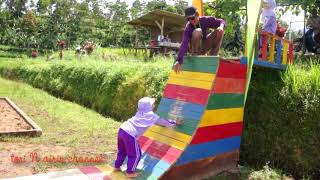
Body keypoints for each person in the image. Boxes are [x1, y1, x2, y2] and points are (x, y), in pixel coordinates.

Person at [113, 97, 182, 178]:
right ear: (148, 107)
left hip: (122, 129)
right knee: (136, 154)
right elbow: (162, 121)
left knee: (122, 151)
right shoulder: (150, 115)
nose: (154, 105)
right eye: (152, 104)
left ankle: (117, 167)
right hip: (130, 134)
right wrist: (175, 122)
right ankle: (130, 172)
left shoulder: (139, 112)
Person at [174, 6, 225, 73]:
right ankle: (195, 54)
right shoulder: (188, 27)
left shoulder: (205, 20)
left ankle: (213, 55)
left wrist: (221, 27)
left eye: (192, 18)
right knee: (197, 31)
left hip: (204, 45)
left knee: (220, 31)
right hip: (194, 48)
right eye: (188, 19)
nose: (191, 21)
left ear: (197, 14)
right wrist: (179, 60)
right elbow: (184, 43)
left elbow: (221, 21)